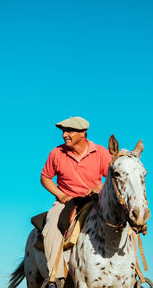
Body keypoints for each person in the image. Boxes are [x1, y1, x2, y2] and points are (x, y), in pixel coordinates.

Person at [41, 116, 111, 285]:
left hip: (94, 200)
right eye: (63, 131)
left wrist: (100, 187)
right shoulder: (57, 153)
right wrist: (60, 194)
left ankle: (134, 274)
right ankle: (55, 278)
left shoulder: (100, 152)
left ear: (83, 133)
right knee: (50, 226)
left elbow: (112, 178)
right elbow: (45, 177)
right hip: (67, 202)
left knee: (124, 222)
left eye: (69, 131)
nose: (64, 135)